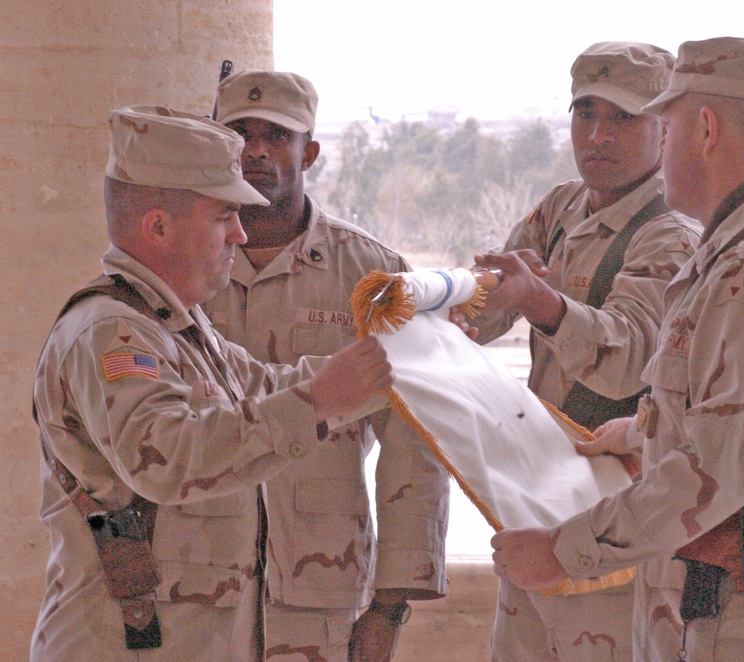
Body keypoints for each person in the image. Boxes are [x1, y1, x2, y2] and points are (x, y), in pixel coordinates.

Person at [491, 37, 744, 661]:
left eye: (661, 125)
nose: (656, 145)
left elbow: (720, 468)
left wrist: (562, 552)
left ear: (704, 129)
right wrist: (645, 433)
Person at [30, 106, 392, 661]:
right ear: (158, 227)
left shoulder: (175, 323)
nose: (241, 235)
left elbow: (265, 383)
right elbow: (168, 454)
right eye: (225, 216)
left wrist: (395, 359)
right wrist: (317, 401)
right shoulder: (111, 333)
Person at [457, 42, 701, 661]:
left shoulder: (671, 231)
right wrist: (443, 309)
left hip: (617, 524)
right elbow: (486, 308)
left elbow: (628, 359)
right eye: (585, 114)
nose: (598, 135)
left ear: (665, 126)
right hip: (540, 504)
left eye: (623, 118)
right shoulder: (565, 208)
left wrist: (542, 304)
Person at [205, 69, 449, 661]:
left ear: (308, 151)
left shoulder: (370, 277)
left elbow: (417, 445)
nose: (257, 150)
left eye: (277, 136)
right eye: (240, 133)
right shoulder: (184, 265)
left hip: (321, 591)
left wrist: (390, 606)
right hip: (197, 588)